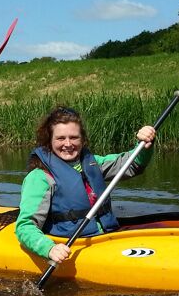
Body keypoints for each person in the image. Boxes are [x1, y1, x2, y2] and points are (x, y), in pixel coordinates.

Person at [15, 106, 156, 264]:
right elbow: (25, 226)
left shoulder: (93, 163)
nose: (68, 144)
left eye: (74, 137)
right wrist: (49, 249)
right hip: (72, 244)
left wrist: (144, 145)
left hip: (107, 237)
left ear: (82, 139)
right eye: (61, 138)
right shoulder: (40, 177)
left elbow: (131, 164)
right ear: (49, 140)